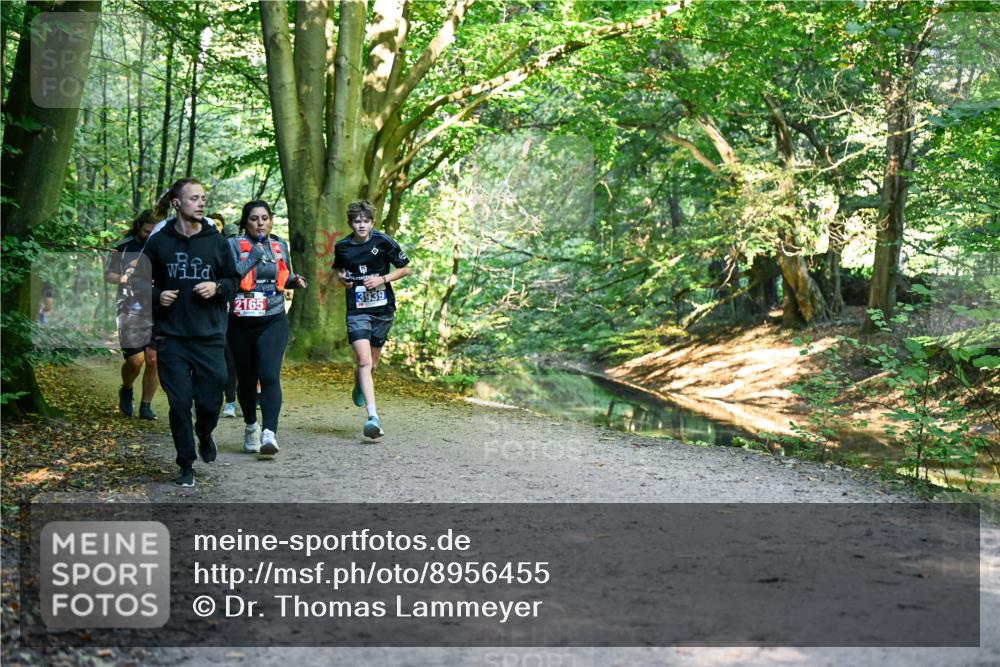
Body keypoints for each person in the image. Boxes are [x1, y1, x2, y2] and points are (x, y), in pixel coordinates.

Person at [142, 178, 239, 487]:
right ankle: (186, 463)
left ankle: (205, 432)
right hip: (172, 337)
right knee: (179, 403)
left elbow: (233, 280)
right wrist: (157, 296)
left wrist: (218, 286)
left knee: (211, 402)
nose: (201, 203)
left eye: (203, 198)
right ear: (177, 203)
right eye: (195, 198)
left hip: (210, 336)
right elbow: (137, 282)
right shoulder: (159, 242)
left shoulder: (216, 240)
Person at [228, 200, 308, 458]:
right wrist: (251, 258)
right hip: (240, 320)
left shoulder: (279, 245)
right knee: (247, 378)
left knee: (269, 374)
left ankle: (269, 433)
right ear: (245, 222)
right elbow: (228, 279)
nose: (260, 223)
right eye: (254, 218)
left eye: (264, 218)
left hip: (273, 317)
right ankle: (251, 426)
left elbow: (284, 277)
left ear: (270, 220)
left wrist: (295, 281)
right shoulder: (232, 245)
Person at [333, 200, 410, 439]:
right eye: (357, 221)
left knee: (371, 365)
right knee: (364, 361)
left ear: (372, 222)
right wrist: (342, 278)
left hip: (383, 310)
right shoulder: (343, 246)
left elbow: (405, 268)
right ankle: (373, 418)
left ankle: (359, 384)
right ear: (350, 223)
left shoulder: (383, 241)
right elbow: (339, 270)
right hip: (356, 310)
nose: (361, 225)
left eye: (366, 221)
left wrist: (382, 279)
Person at [104, 209, 160, 420]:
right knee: (136, 360)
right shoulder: (123, 246)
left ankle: (146, 406)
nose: (149, 236)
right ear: (139, 227)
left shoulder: (161, 245)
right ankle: (127, 388)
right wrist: (124, 278)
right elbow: (108, 275)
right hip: (129, 309)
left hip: (156, 308)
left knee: (153, 360)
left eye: (153, 232)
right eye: (146, 231)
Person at [221, 222, 240, 418]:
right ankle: (229, 400)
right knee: (226, 360)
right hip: (221, 316)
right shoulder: (219, 254)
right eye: (229, 237)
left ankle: (236, 400)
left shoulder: (245, 254)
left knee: (237, 360)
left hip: (239, 315)